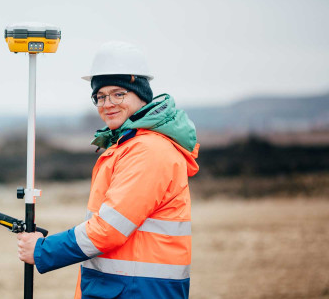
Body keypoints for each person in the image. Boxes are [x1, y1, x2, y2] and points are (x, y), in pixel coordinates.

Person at [17, 41, 200, 298]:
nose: (107, 103)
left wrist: (42, 250)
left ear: (141, 95)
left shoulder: (148, 151)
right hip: (123, 287)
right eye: (100, 96)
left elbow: (109, 230)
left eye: (119, 93)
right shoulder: (126, 145)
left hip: (138, 290)